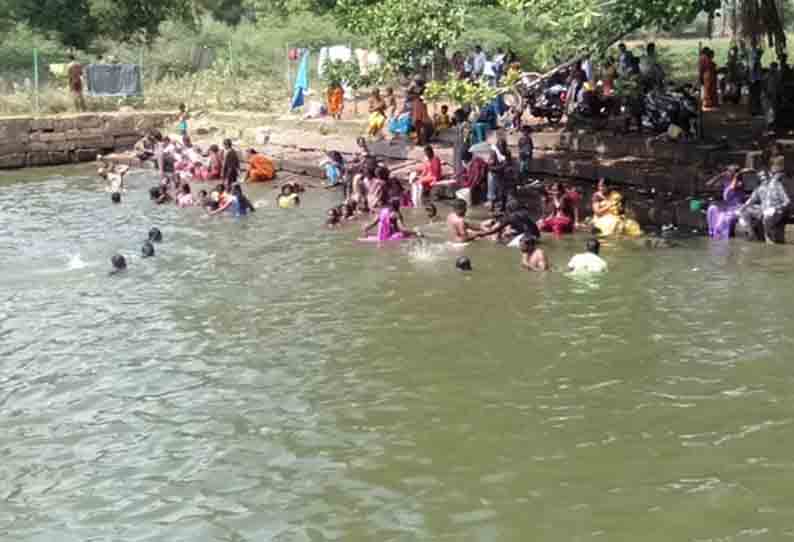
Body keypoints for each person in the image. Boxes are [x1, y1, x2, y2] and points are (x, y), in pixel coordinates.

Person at [739, 156, 790, 243]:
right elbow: (750, 201)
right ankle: (752, 235)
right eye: (760, 176)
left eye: (764, 175)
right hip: (764, 211)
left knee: (767, 219)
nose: (763, 178)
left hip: (777, 211)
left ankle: (770, 242)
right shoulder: (759, 188)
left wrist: (776, 209)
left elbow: (787, 202)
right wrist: (742, 208)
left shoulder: (777, 184)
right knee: (744, 211)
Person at [706, 166, 749, 240]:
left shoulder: (739, 183)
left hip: (737, 207)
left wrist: (736, 176)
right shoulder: (726, 181)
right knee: (712, 209)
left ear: (734, 173)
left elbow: (731, 190)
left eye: (729, 171)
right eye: (727, 171)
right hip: (727, 206)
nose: (727, 173)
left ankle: (721, 237)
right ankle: (712, 233)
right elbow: (708, 184)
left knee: (722, 220)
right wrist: (719, 176)